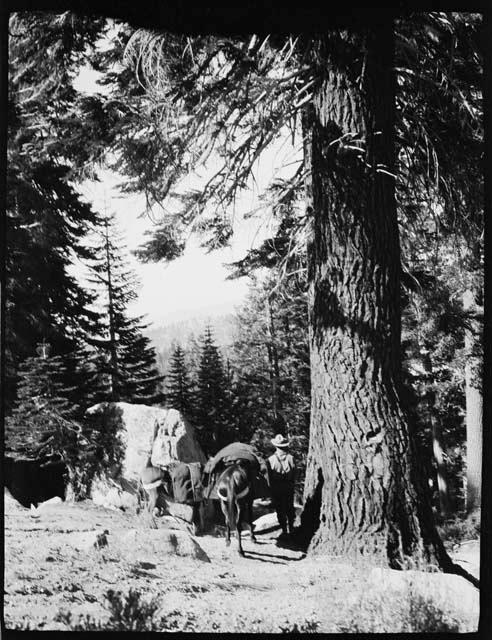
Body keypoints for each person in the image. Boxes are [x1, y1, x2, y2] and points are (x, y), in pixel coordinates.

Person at [267, 433, 296, 536]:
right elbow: (294, 473)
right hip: (288, 486)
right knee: (290, 508)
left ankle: (284, 530)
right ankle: (291, 528)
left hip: (277, 487)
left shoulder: (270, 460)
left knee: (280, 509)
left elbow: (269, 477)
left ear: (275, 446)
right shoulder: (291, 458)